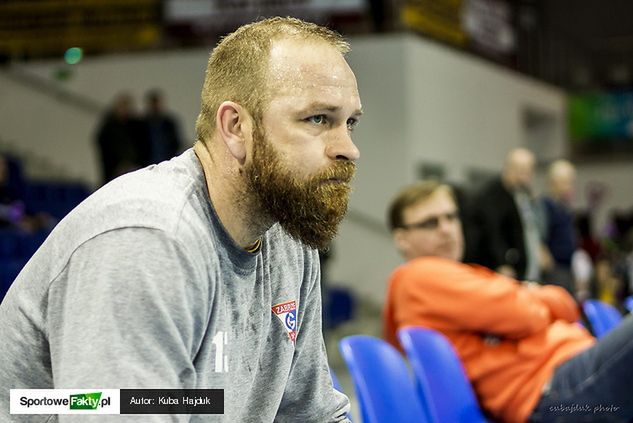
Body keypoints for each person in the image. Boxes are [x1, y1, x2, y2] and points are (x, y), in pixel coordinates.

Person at [0, 17, 362, 422]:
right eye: (318, 119)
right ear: (236, 127)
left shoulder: (287, 236)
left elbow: (311, 414)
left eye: (350, 122)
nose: (349, 148)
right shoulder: (146, 240)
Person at [383, 181, 633, 423]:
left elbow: (566, 304)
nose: (446, 228)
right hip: (555, 390)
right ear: (402, 239)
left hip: (570, 375)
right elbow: (526, 315)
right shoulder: (417, 276)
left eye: (451, 217)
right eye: (430, 223)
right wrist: (527, 292)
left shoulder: (463, 275)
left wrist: (524, 296)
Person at [470, 148, 548, 280]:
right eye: (520, 171)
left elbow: (529, 226)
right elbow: (492, 231)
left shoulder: (523, 194)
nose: (524, 177)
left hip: (526, 268)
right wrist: (501, 262)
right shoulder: (491, 196)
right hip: (502, 269)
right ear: (508, 168)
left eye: (528, 172)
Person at [540, 160, 577, 295]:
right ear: (554, 182)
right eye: (567, 182)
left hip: (566, 267)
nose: (570, 186)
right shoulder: (545, 205)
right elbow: (539, 234)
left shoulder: (563, 207)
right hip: (554, 268)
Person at [95, 92, 146, 184]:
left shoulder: (136, 126)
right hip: (114, 168)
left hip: (134, 165)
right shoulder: (109, 127)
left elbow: (142, 145)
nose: (124, 110)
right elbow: (103, 145)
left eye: (126, 107)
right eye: (122, 107)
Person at [141, 89, 183, 166]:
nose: (155, 107)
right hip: (147, 163)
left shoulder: (169, 123)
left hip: (167, 161)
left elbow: (175, 142)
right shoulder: (142, 125)